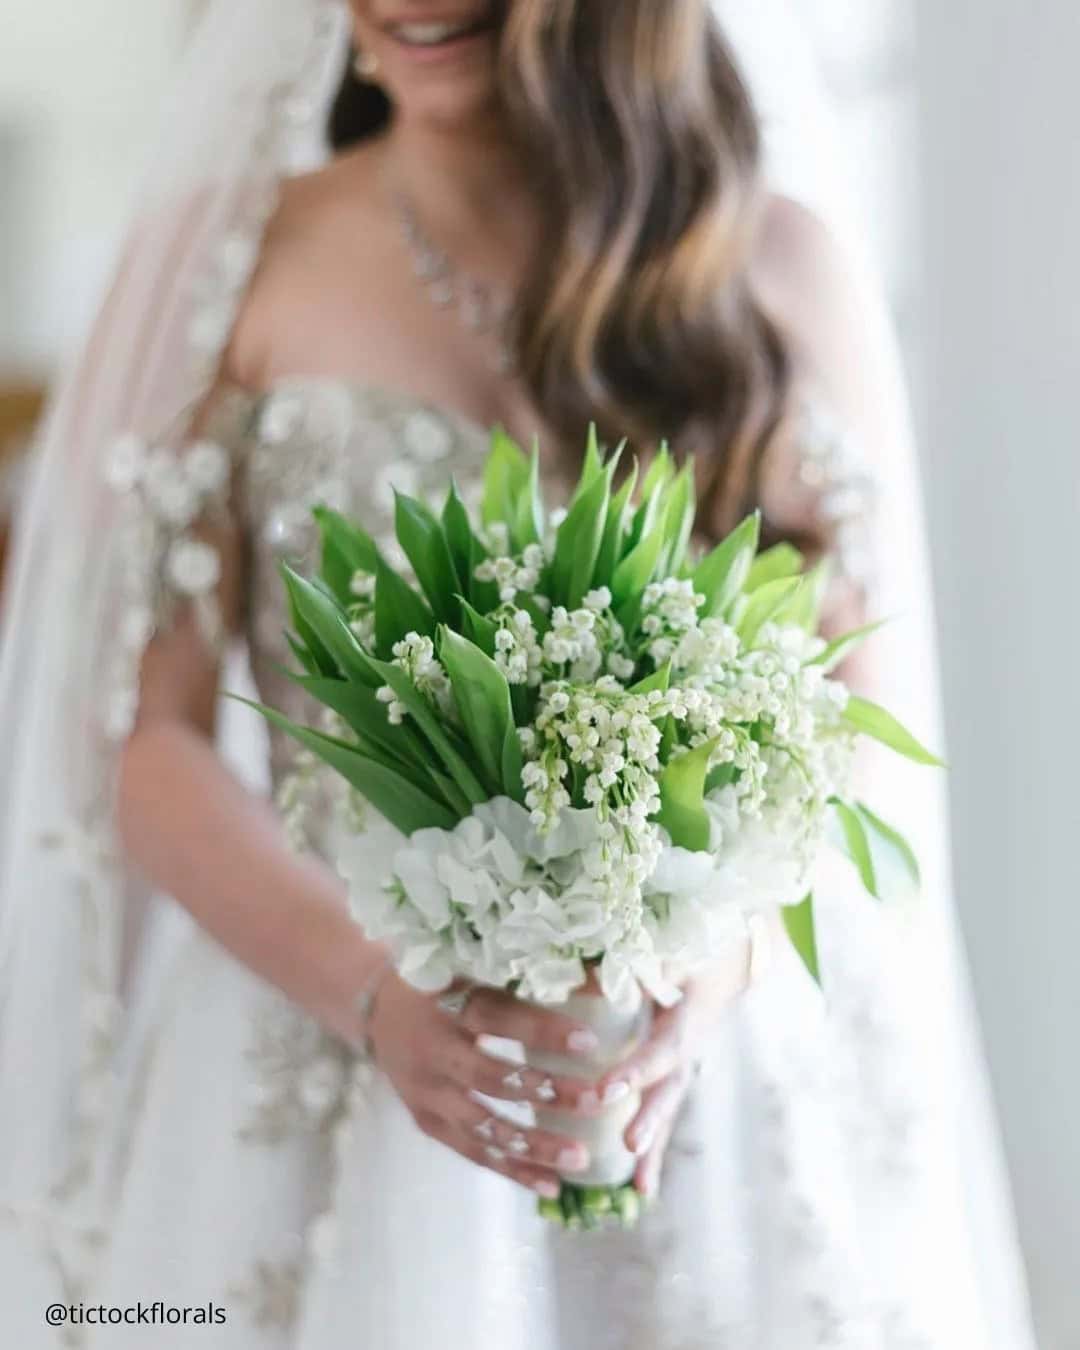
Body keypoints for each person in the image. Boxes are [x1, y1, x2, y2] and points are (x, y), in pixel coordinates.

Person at [0, 2, 1035, 1346]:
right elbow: (148, 736)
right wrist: (373, 990)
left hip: (697, 1078)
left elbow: (858, 719)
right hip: (323, 1047)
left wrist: (697, 973)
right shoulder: (229, 265)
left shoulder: (775, 272)